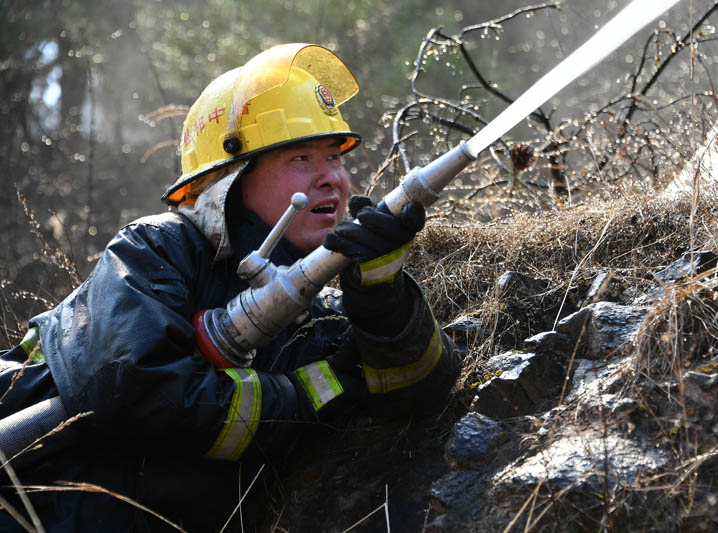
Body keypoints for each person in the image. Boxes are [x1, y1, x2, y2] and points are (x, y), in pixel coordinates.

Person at [0, 43, 460, 532]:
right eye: (302, 158)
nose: (332, 179)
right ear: (230, 180)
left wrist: (381, 296)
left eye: (335, 157)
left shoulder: (323, 309)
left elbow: (418, 398)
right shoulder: (157, 251)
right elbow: (138, 391)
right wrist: (305, 398)